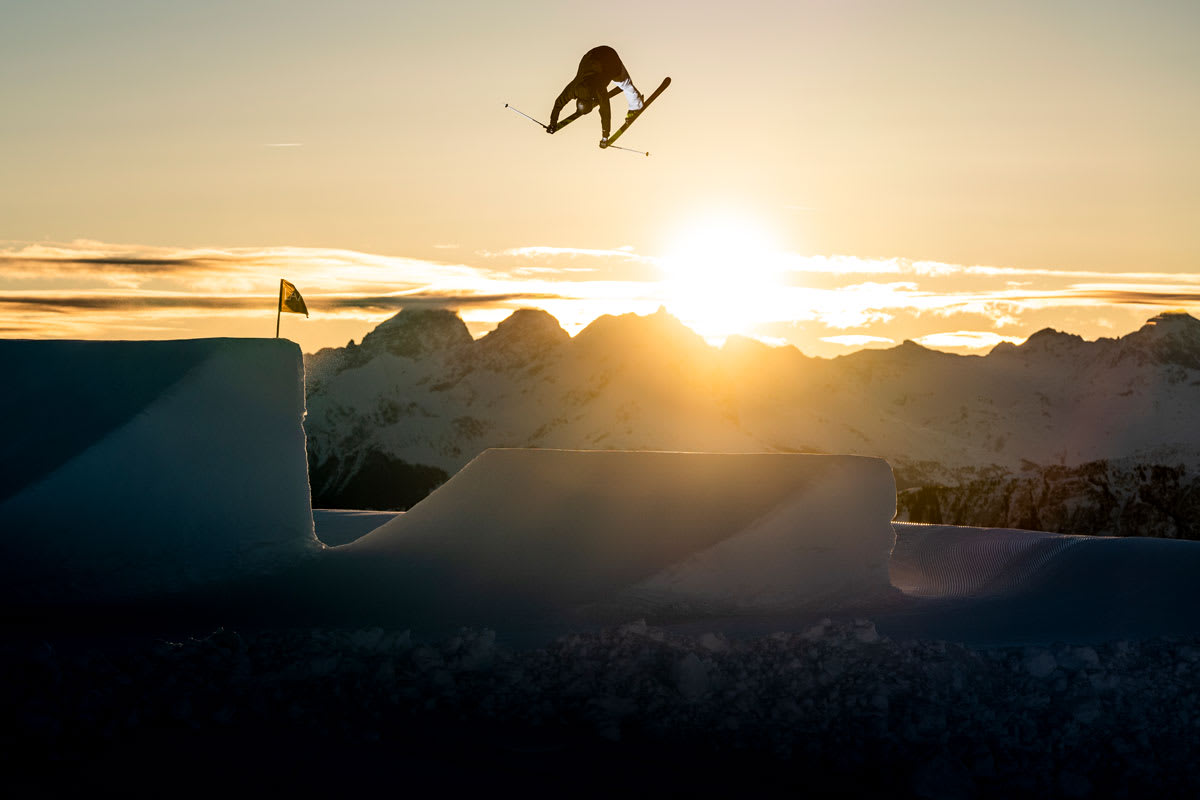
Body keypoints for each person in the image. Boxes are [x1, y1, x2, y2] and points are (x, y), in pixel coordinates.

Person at [547, 45, 643, 146]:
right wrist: (553, 123)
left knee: (625, 84)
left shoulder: (599, 89)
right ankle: (614, 92)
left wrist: (605, 136)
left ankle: (637, 106)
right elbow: (558, 103)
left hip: (610, 57)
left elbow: (605, 112)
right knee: (609, 83)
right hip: (591, 56)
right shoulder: (574, 88)